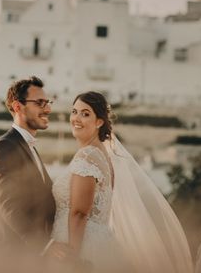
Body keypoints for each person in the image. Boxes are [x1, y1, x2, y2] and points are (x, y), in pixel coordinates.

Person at [51, 91, 193, 273]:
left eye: (85, 114)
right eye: (74, 111)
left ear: (99, 122)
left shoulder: (87, 155)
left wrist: (74, 258)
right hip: (96, 243)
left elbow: (79, 213)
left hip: (78, 247)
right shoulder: (102, 155)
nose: (76, 118)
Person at [0, 76, 65, 263]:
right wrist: (45, 245)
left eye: (48, 103)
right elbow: (10, 207)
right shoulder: (4, 148)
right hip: (13, 260)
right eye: (40, 103)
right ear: (17, 106)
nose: (48, 109)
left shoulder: (28, 147)